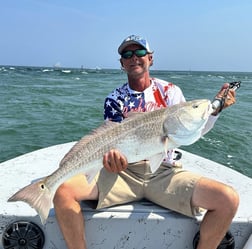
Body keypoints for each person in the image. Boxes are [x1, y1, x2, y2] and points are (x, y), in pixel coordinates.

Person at [53, 35, 239, 249]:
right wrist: (112, 162)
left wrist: (215, 111)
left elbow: (190, 132)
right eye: (127, 54)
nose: (134, 58)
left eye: (140, 53)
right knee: (64, 192)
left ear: (150, 58)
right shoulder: (114, 99)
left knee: (228, 200)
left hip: (165, 172)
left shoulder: (170, 91)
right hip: (122, 174)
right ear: (122, 63)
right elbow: (109, 139)